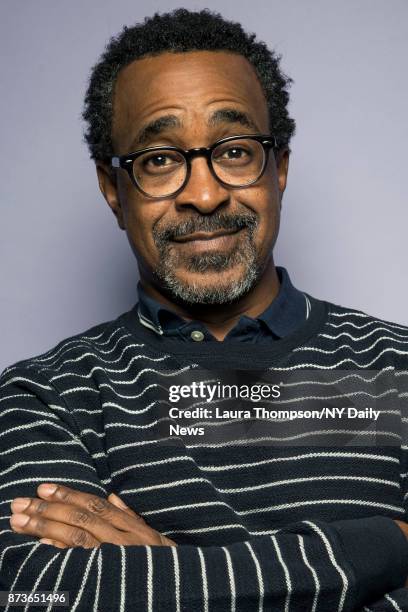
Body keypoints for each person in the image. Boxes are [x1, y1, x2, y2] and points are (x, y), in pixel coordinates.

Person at [1, 8, 408, 611]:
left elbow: (114, 596)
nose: (205, 193)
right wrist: (387, 546)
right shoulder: (44, 397)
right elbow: (34, 593)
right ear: (113, 190)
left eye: (236, 150)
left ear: (280, 168)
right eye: (159, 159)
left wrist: (163, 577)